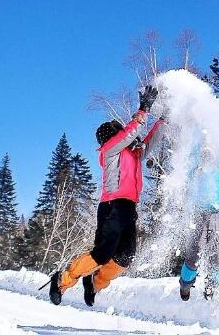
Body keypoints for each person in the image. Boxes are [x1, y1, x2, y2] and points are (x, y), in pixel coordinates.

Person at [48, 85, 165, 306]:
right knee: (103, 252)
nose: (128, 137)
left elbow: (150, 141)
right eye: (121, 133)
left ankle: (94, 283)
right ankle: (62, 280)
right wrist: (143, 109)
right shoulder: (110, 149)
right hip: (112, 206)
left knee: (125, 257)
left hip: (129, 207)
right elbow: (129, 133)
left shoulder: (133, 153)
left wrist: (163, 121)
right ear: (113, 136)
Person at [179, 145, 219, 301]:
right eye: (204, 157)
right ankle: (185, 284)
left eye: (210, 157)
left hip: (218, 216)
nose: (207, 159)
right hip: (199, 215)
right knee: (194, 257)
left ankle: (211, 285)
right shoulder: (195, 173)